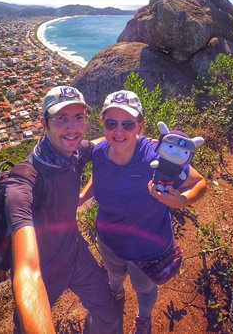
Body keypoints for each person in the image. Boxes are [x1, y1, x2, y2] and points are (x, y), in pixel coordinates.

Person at [79, 90, 207, 334]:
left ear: (140, 125)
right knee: (114, 277)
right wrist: (84, 196)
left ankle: (143, 318)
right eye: (111, 123)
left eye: (128, 124)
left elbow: (200, 183)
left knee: (144, 288)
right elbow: (99, 175)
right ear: (102, 124)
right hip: (109, 240)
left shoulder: (155, 155)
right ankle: (115, 295)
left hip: (148, 249)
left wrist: (179, 201)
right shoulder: (98, 153)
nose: (119, 132)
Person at [5, 86, 121, 334]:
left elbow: (100, 143)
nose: (73, 128)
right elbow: (28, 271)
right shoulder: (23, 181)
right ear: (44, 124)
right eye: (62, 119)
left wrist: (143, 142)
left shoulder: (75, 153)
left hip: (76, 256)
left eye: (79, 117)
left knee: (108, 316)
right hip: (44, 271)